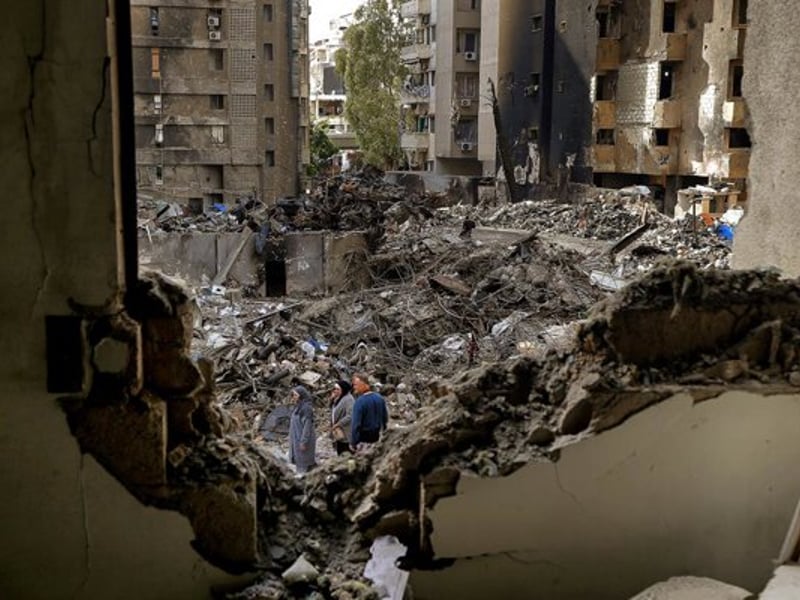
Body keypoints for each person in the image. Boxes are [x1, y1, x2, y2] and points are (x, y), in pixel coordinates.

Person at [350, 372, 389, 451]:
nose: (354, 387)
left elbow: (356, 425)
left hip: (363, 441)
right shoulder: (379, 398)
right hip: (377, 438)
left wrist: (353, 442)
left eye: (356, 385)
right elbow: (385, 419)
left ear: (364, 384)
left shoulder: (360, 402)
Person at [287, 385, 316, 474]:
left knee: (305, 463)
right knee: (299, 461)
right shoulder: (298, 406)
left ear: (302, 395)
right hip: (296, 438)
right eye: (293, 395)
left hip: (303, 440)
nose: (294, 397)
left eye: (296, 395)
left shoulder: (306, 408)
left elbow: (307, 427)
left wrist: (303, 441)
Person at [330, 380, 355, 455]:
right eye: (334, 389)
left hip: (345, 431)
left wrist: (338, 424)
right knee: (340, 451)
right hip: (339, 431)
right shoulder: (339, 398)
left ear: (343, 389)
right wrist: (332, 399)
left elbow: (350, 415)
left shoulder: (349, 399)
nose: (335, 391)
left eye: (338, 389)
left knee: (346, 452)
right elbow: (333, 410)